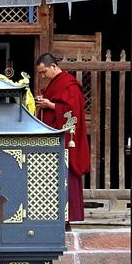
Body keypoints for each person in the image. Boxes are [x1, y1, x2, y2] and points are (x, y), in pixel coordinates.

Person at [34, 53, 90, 227]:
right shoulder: (55, 83)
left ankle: (67, 219)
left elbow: (73, 110)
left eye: (44, 72)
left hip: (66, 139)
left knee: (66, 176)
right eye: (40, 74)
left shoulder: (69, 84)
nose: (43, 76)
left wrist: (50, 105)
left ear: (53, 66)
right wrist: (44, 103)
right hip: (52, 135)